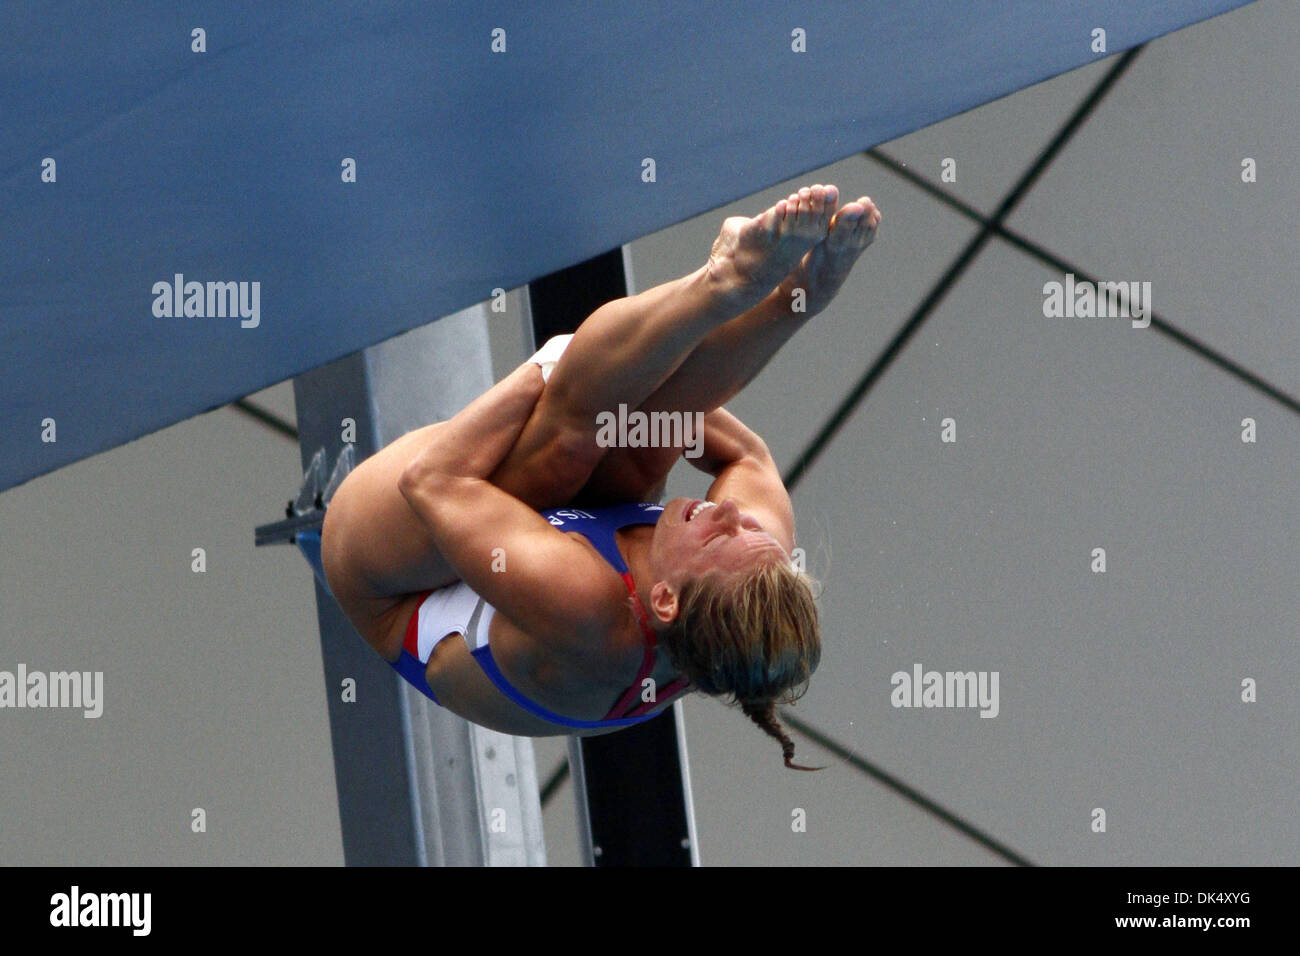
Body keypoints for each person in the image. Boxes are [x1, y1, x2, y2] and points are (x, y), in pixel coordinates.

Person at [322, 184, 881, 768]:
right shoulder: (750, 569)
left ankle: (716, 282)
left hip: (396, 589)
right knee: (652, 431)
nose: (727, 513)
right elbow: (746, 457)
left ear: (664, 600)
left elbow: (433, 482)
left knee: (557, 451)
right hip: (544, 543)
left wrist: (546, 368)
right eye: (746, 528)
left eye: (720, 533)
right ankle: (794, 299)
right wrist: (647, 398)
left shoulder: (586, 611)